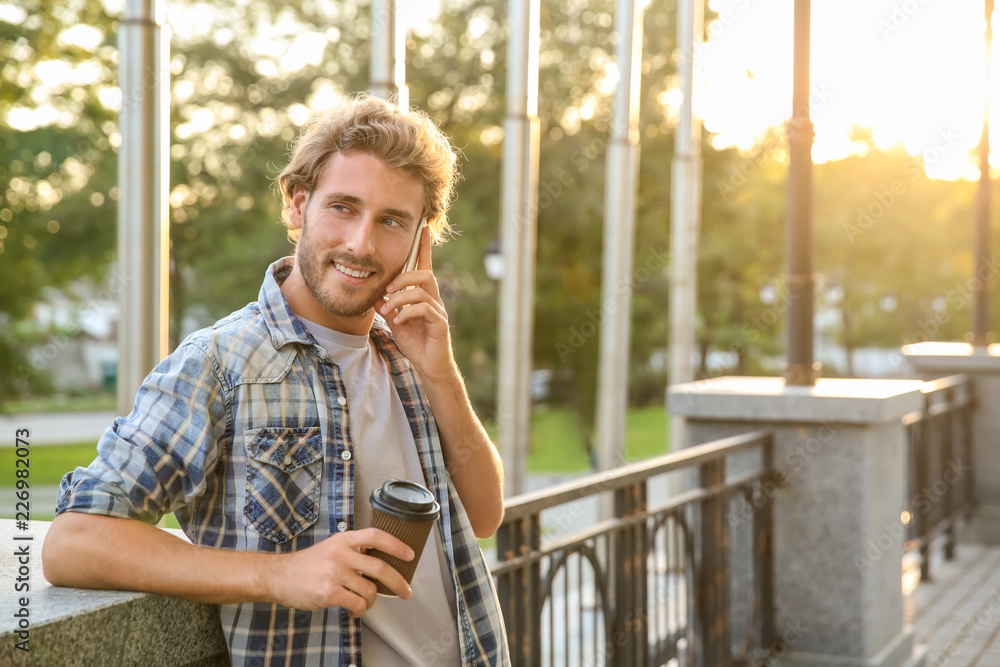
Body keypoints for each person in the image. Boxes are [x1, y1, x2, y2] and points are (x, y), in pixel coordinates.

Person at [41, 95, 510, 667]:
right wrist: (278, 574)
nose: (361, 244)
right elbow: (74, 542)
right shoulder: (220, 361)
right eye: (343, 207)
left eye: (391, 221)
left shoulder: (413, 351)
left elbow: (485, 514)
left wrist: (442, 371)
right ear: (297, 203)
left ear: (420, 238)